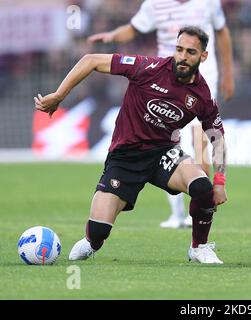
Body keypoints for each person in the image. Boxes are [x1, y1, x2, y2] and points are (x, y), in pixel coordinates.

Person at [34, 26, 228, 264]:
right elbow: (91, 60)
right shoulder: (148, 68)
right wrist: (59, 95)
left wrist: (219, 182)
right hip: (125, 157)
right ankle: (92, 241)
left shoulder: (202, 95)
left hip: (163, 154)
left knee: (202, 187)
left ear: (203, 56)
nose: (183, 57)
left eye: (190, 52)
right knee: (98, 232)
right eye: (179, 50)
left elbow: (217, 137)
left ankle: (199, 247)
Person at [88, 0, 235, 229]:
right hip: (167, 83)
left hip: (201, 83)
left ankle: (198, 205)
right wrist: (112, 36)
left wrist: (228, 73)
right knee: (168, 145)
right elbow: (134, 28)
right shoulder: (155, 4)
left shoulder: (208, 3)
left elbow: (222, 31)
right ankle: (177, 214)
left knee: (201, 144)